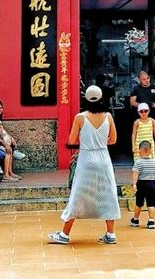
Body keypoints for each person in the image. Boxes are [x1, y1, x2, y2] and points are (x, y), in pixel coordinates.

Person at [48, 85, 121, 246]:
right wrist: (100, 143)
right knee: (107, 194)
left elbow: (71, 141)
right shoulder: (108, 117)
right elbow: (114, 140)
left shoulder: (80, 117)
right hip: (103, 158)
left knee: (78, 195)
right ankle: (110, 234)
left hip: (86, 159)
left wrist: (87, 142)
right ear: (101, 98)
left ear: (86, 99)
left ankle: (65, 235)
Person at [130, 140, 155, 229]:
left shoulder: (138, 162)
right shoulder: (153, 162)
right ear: (150, 150)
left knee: (139, 203)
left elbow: (135, 173)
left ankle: (135, 219)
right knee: (151, 203)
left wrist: (134, 184)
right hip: (151, 184)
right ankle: (151, 221)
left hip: (141, 184)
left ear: (139, 150)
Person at [0, 99, 22, 181]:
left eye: (1, 107)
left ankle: (10, 172)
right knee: (7, 150)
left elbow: (2, 131)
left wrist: (11, 137)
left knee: (9, 149)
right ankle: (6, 176)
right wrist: (6, 145)